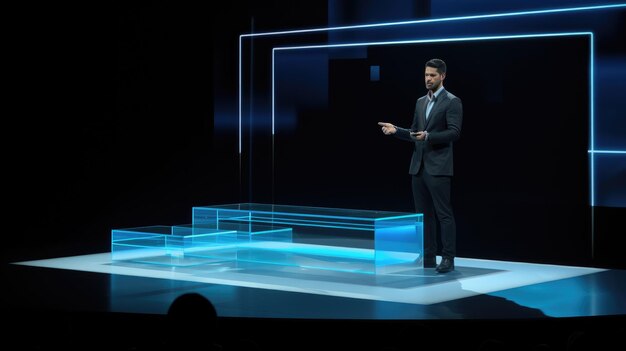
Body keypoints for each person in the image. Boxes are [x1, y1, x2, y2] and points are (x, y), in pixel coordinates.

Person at [378, 58, 462, 273]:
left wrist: (429, 136)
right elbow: (415, 134)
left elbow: (454, 132)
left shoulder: (452, 101)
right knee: (423, 216)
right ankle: (427, 256)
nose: (428, 78)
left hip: (439, 166)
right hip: (418, 167)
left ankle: (448, 259)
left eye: (432, 75)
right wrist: (396, 130)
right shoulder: (420, 102)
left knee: (443, 214)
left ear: (442, 76)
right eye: (426, 74)